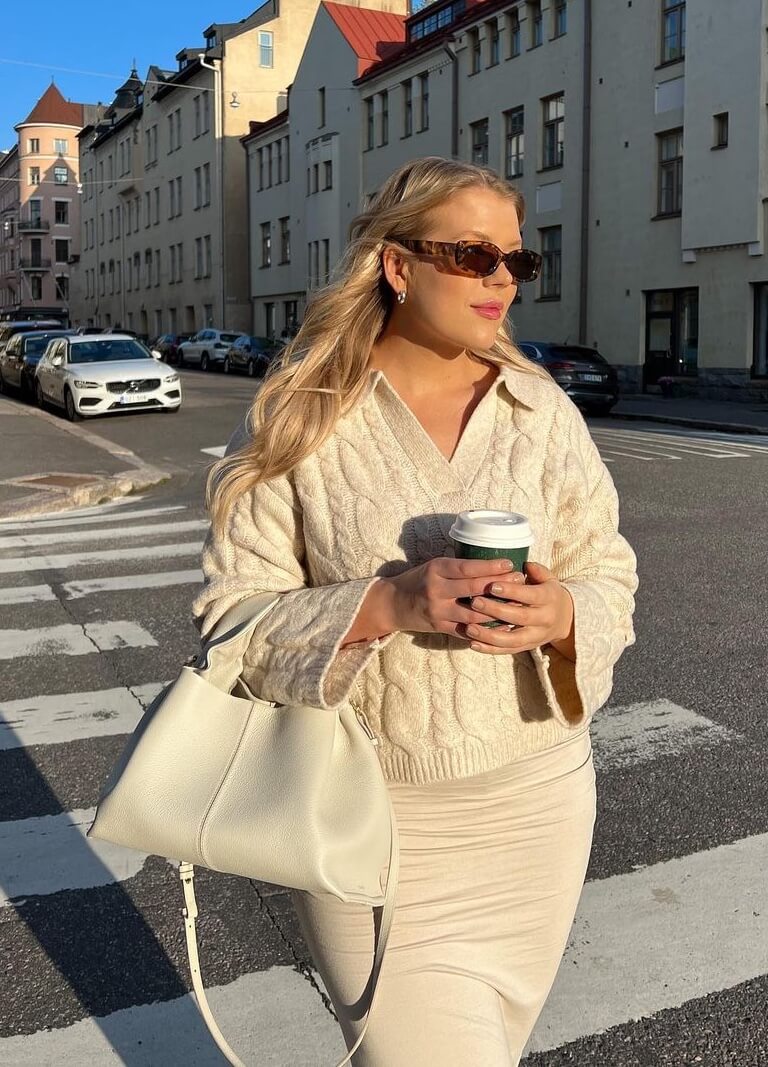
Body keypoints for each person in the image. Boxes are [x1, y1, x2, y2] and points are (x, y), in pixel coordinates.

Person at [193, 156, 638, 1066]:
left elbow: (610, 573)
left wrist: (562, 614)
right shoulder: (301, 415)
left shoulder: (540, 408)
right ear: (399, 265)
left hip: (539, 803)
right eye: (473, 255)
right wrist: (390, 601)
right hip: (373, 819)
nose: (502, 279)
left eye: (518, 259)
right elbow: (229, 622)